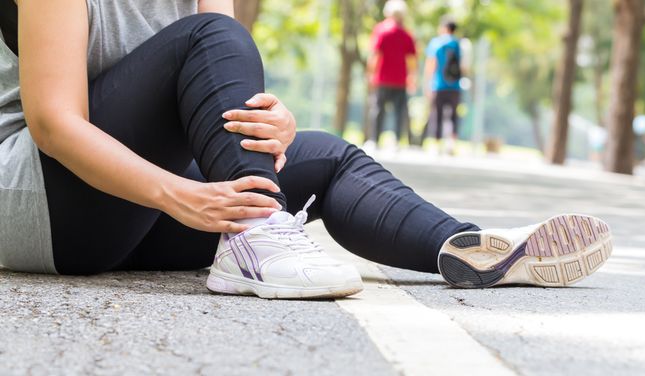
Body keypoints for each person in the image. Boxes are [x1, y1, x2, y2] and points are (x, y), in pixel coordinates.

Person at [0, 0, 613, 299]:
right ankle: (256, 240)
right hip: (41, 200)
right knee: (208, 35)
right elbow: (54, 123)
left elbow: (219, 96)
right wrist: (181, 194)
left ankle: (476, 250)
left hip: (123, 210)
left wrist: (278, 125)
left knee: (328, 157)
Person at [365, 0, 417, 151]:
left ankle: (374, 140)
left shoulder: (381, 31)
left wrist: (370, 74)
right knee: (399, 111)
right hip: (400, 79)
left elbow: (375, 55)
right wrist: (412, 77)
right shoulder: (407, 35)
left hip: (382, 78)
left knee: (378, 109)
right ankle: (396, 141)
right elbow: (412, 60)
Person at [423, 19, 463, 153]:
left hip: (438, 84)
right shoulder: (458, 43)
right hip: (455, 86)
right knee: (453, 116)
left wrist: (427, 83)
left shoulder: (436, 42)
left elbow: (431, 63)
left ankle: (437, 143)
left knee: (437, 114)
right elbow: (463, 66)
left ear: (444, 28)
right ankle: (451, 144)